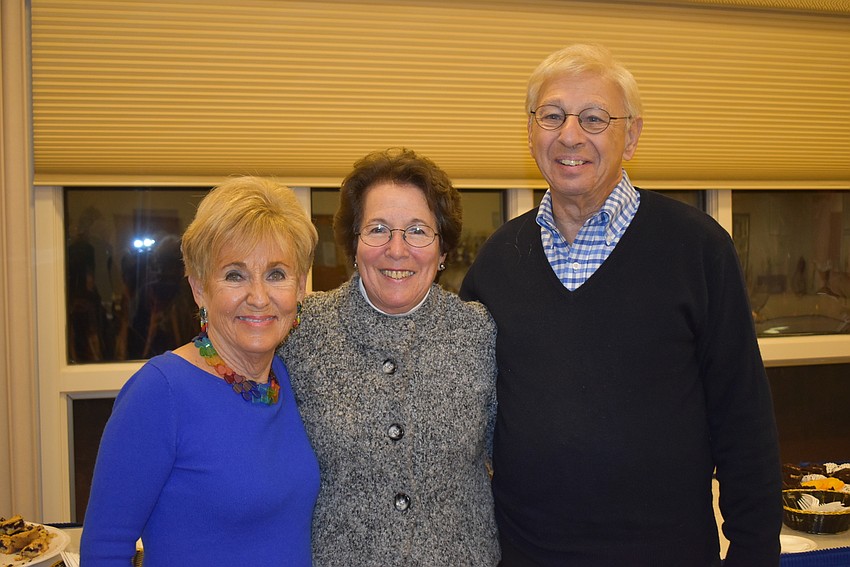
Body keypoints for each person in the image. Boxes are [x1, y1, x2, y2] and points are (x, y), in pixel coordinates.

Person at [460, 44, 782, 566]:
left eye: (594, 118)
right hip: (526, 555)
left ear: (630, 136)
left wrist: (753, 552)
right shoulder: (497, 260)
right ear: (530, 132)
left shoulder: (698, 250)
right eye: (552, 115)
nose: (570, 135)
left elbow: (744, 422)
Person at [80, 176, 320, 566]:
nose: (259, 297)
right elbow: (105, 549)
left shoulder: (286, 379)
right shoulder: (160, 393)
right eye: (234, 274)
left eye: (277, 274)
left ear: (301, 287)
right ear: (198, 288)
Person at [279, 147, 501, 566]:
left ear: (442, 252)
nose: (397, 250)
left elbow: (512, 460)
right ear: (354, 243)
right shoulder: (300, 331)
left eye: (418, 231)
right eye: (378, 229)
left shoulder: (478, 334)